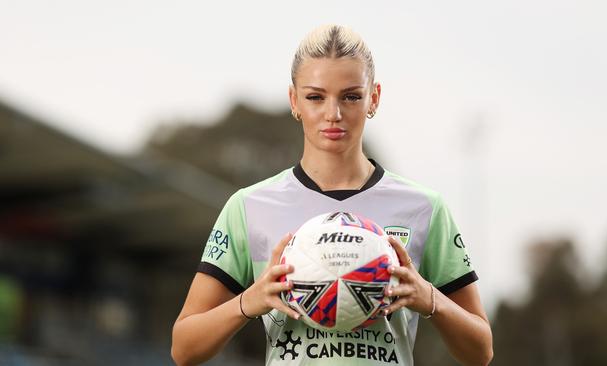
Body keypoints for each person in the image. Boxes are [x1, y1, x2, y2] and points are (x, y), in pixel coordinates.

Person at [171, 24, 493, 366]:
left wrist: (428, 297)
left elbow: (480, 351)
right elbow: (184, 348)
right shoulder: (249, 207)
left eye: (351, 96)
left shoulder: (423, 207)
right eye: (315, 96)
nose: (333, 114)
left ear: (374, 98)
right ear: (294, 100)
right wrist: (249, 301)